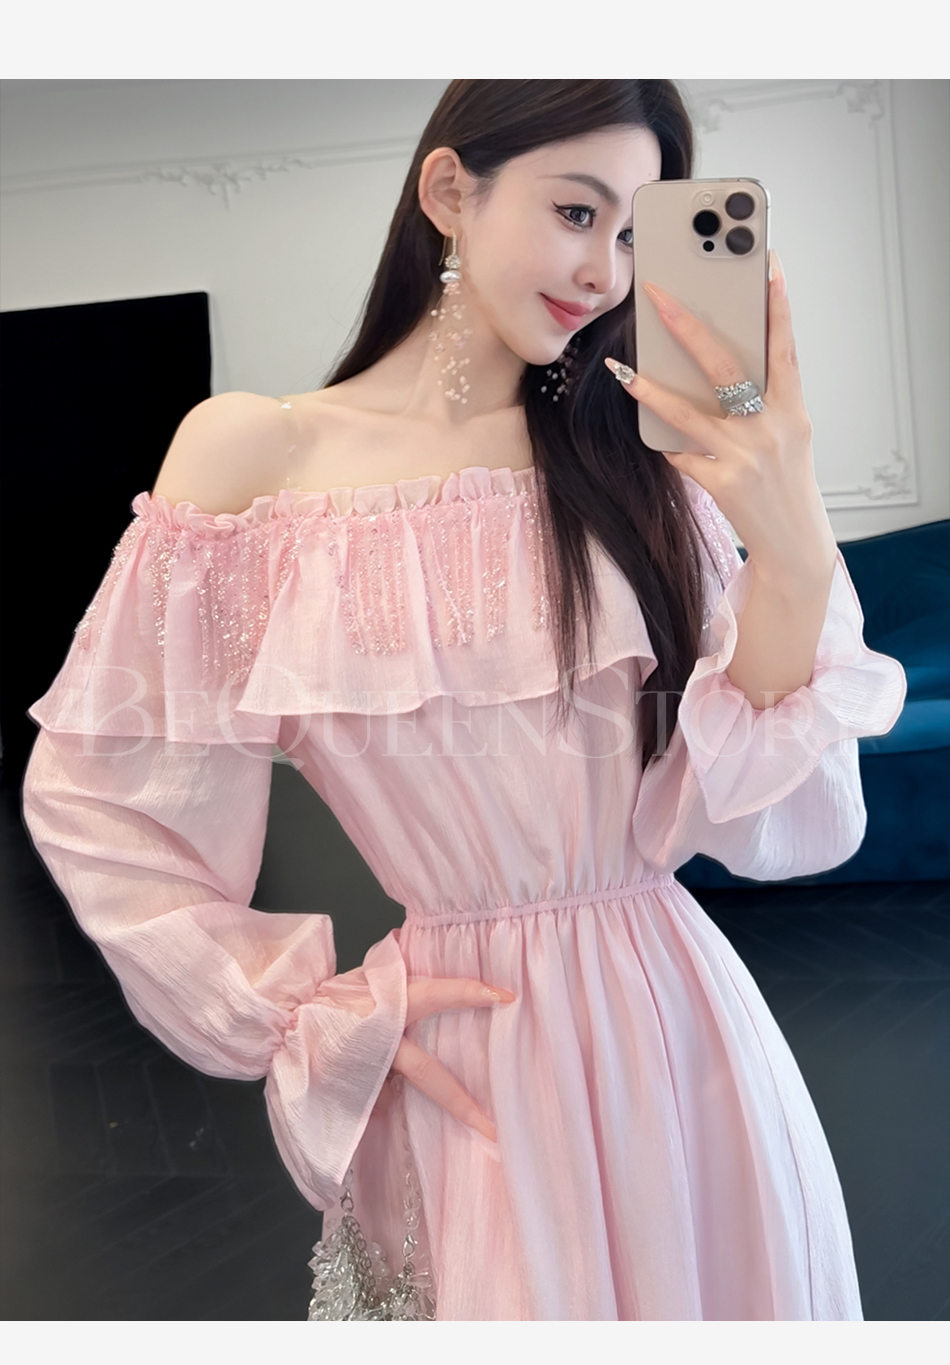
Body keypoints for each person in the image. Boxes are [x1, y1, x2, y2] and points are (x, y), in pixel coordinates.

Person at [21, 79, 906, 1321]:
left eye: (632, 232)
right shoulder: (255, 460)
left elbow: (758, 818)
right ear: (449, 190)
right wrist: (301, 1014)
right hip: (465, 1049)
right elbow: (102, 794)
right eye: (574, 212)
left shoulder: (637, 464)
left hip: (684, 1035)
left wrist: (793, 543)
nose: (602, 270)